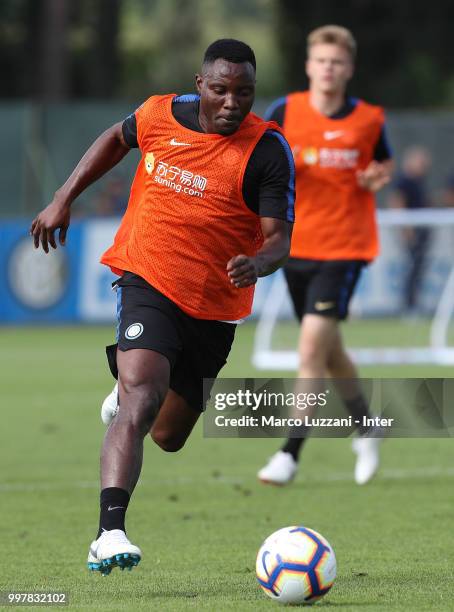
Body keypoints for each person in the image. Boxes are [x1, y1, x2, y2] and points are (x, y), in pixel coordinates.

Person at [30, 39, 295, 575]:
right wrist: (64, 197)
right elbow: (114, 138)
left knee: (169, 435)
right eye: (220, 90)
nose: (231, 103)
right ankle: (109, 533)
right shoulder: (158, 114)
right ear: (201, 85)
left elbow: (279, 240)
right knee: (141, 398)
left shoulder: (268, 151)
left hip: (215, 307)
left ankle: (130, 390)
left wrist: (259, 263)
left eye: (243, 93)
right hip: (147, 277)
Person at [257, 25, 393, 487]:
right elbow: (260, 158)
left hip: (346, 247)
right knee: (329, 353)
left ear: (348, 68)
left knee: (311, 347)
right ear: (309, 66)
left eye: (337, 62)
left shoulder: (369, 119)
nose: (328, 68)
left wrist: (377, 177)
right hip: (294, 248)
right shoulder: (285, 112)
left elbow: (382, 163)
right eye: (321, 60)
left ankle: (289, 454)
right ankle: (367, 425)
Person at [387, 145, 432, 314]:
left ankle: (413, 303)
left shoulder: (420, 182)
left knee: (418, 268)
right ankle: (408, 305)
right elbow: (397, 202)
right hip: (413, 233)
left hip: (421, 233)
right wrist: (406, 230)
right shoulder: (404, 181)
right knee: (411, 269)